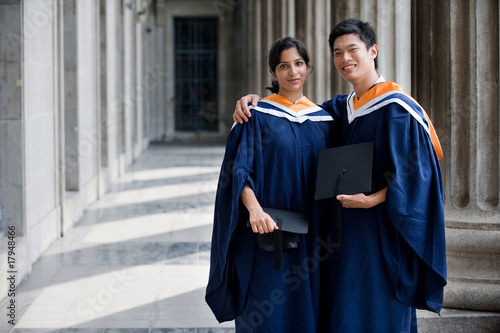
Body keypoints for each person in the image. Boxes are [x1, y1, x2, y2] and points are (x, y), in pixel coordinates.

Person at [232, 18, 446, 333]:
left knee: (377, 311)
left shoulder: (398, 108)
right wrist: (254, 101)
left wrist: (373, 199)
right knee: (344, 313)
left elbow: (421, 176)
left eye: (352, 49)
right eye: (337, 52)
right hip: (341, 237)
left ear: (372, 51)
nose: (345, 58)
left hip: (382, 233)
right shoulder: (338, 111)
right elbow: (293, 120)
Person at [205, 37, 337, 332]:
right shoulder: (255, 117)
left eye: (299, 64)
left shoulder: (325, 120)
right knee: (267, 308)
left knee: (309, 307)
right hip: (270, 229)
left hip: (314, 233)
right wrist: (254, 211)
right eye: (284, 65)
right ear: (272, 73)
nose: (293, 72)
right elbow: (239, 171)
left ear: (308, 68)